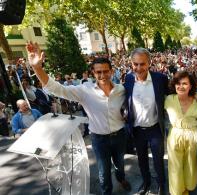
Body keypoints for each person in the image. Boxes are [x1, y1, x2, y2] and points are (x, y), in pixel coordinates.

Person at [25, 42, 131, 195]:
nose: (102, 75)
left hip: (120, 135)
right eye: (98, 72)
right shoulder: (84, 91)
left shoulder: (121, 90)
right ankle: (107, 192)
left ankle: (121, 178)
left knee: (120, 164)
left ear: (111, 71)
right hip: (99, 139)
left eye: (105, 71)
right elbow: (56, 89)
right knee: (104, 171)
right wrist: (37, 68)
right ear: (93, 73)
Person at [124, 48, 168, 195]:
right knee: (142, 160)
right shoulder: (129, 79)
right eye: (135, 64)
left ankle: (161, 184)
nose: (138, 68)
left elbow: (174, 94)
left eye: (142, 64)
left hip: (155, 128)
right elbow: (125, 99)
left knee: (158, 161)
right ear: (131, 63)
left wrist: (195, 95)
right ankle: (146, 182)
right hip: (137, 130)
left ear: (149, 63)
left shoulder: (160, 78)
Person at [164, 71, 197, 195]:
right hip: (175, 136)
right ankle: (177, 191)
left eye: (185, 84)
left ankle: (189, 187)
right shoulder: (169, 99)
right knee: (175, 166)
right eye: (178, 83)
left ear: (191, 86)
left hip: (193, 137)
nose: (181, 86)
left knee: (191, 164)